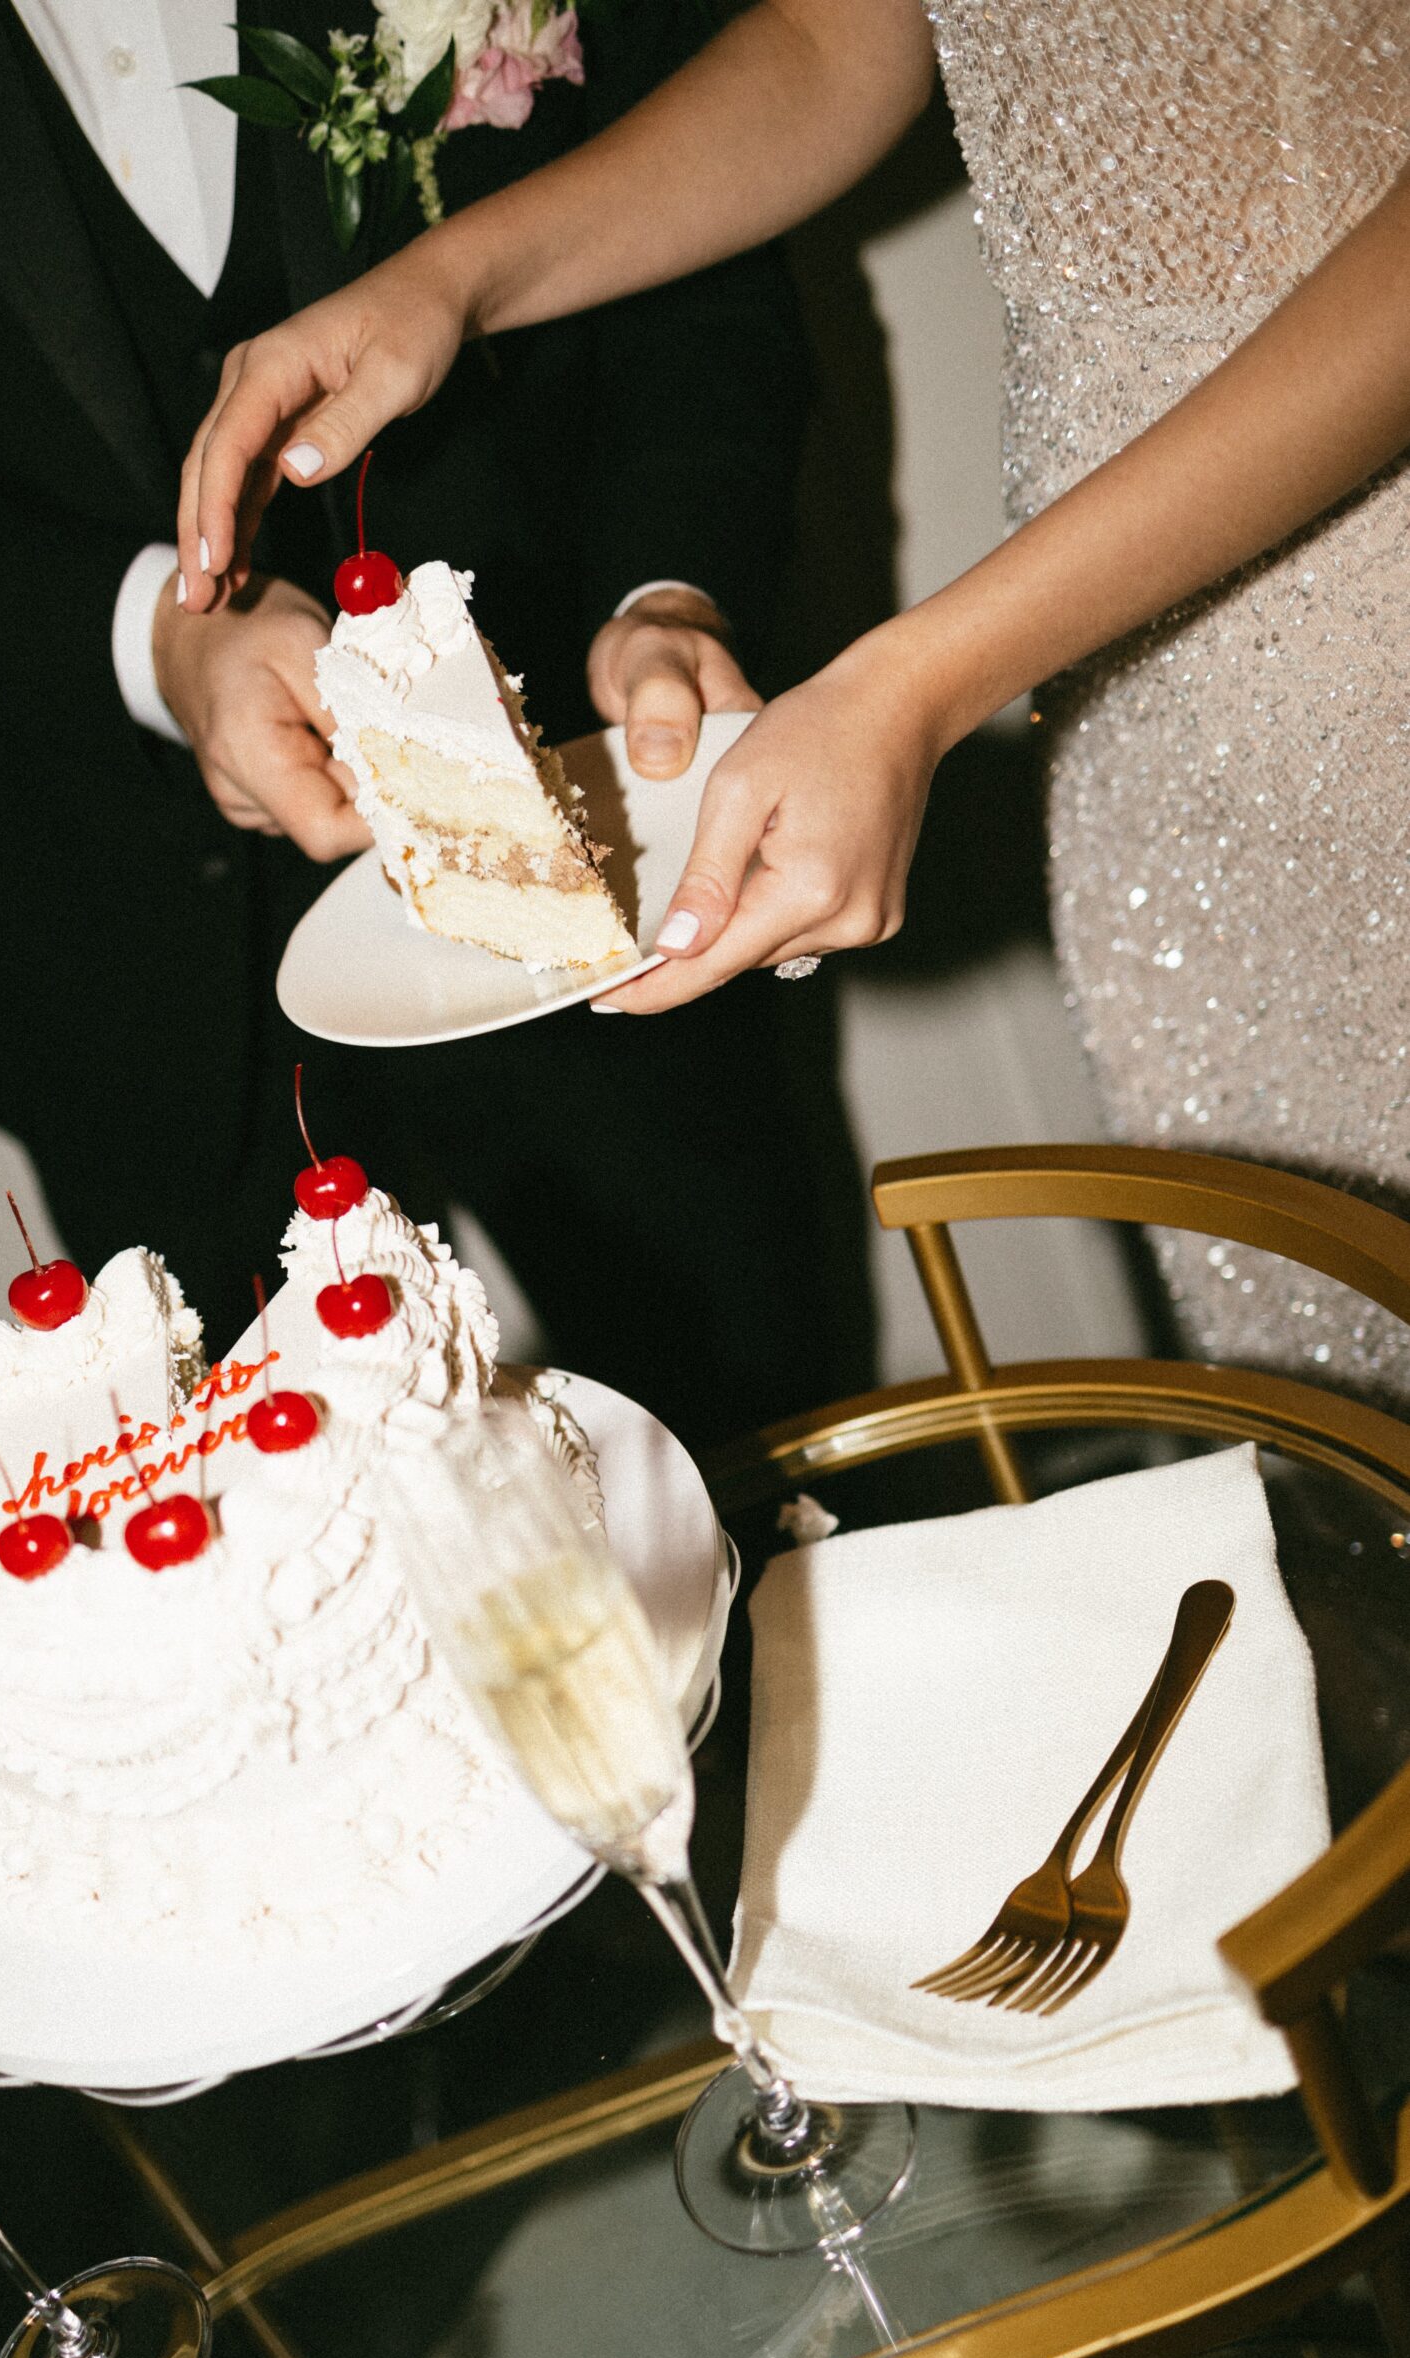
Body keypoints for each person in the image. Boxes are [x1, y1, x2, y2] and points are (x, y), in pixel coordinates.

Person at [180, 0, 1410, 1396]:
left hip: (1370, 579)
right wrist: (453, 280)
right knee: (1325, 1342)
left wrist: (924, 678)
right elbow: (845, 39)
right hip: (1124, 641)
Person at [0, 1, 875, 1444]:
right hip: (112, 947)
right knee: (322, 1584)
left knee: (773, 1460)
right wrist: (143, 631)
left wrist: (673, 588)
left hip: (584, 826)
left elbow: (713, 188)